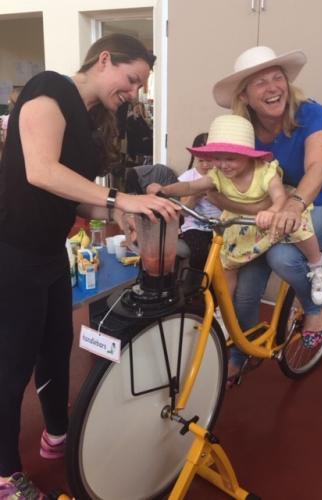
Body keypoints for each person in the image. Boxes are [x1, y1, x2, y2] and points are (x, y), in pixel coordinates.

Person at [0, 33, 179, 497]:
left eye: (140, 86)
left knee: (56, 349)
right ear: (105, 59)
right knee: (11, 364)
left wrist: (120, 213)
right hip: (12, 250)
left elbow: (76, 194)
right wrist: (122, 197)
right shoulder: (48, 89)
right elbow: (40, 170)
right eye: (132, 79)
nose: (134, 92)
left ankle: (57, 433)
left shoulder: (89, 118)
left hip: (48, 253)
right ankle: (3, 475)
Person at [210, 46, 322, 382]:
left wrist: (294, 205)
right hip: (271, 214)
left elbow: (317, 168)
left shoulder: (310, 113)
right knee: (243, 286)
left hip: (321, 203)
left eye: (277, 78)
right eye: (260, 83)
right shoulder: (242, 129)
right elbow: (225, 173)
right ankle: (241, 352)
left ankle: (316, 309)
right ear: (245, 95)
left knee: (283, 257)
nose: (273, 87)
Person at [148, 114, 322, 316]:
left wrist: (272, 211)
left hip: (272, 214)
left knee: (298, 226)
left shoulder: (265, 172)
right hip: (240, 222)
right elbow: (190, 185)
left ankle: (318, 263)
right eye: (217, 158)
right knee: (227, 265)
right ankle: (223, 310)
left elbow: (279, 197)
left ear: (248, 156)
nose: (223, 165)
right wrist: (165, 190)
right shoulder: (218, 175)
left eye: (230, 158)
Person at [178, 133, 222, 272]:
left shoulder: (223, 176)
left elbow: (229, 207)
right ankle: (197, 286)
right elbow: (184, 212)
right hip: (194, 227)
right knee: (200, 252)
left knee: (225, 255)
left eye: (209, 161)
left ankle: (217, 290)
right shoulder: (188, 178)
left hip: (220, 225)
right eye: (201, 160)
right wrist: (195, 196)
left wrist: (214, 196)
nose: (205, 165)